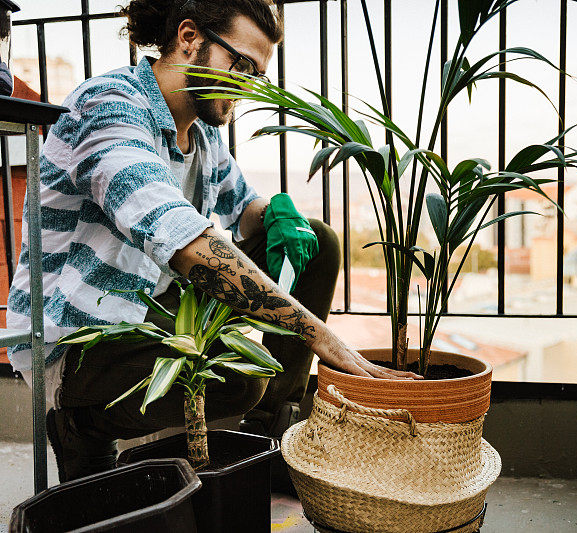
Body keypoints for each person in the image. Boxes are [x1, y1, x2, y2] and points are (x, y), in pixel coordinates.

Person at [7, 0, 418, 483]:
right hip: (78, 342)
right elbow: (180, 237)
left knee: (318, 242)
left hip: (153, 311)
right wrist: (324, 338)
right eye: (240, 64)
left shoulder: (200, 132)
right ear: (189, 37)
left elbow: (245, 210)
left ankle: (271, 439)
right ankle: (82, 424)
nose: (246, 85)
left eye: (257, 74)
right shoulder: (109, 106)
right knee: (245, 377)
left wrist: (276, 212)